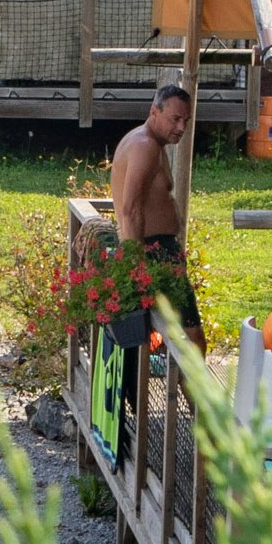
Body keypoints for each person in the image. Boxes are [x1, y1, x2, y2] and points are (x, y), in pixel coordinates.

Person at [101, 83, 204, 422]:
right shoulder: (145, 146)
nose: (181, 128)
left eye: (186, 121)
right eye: (175, 118)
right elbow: (130, 210)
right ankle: (201, 417)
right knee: (193, 338)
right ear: (154, 111)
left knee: (177, 338)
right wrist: (135, 268)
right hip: (154, 252)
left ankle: (192, 412)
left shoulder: (144, 141)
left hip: (157, 250)